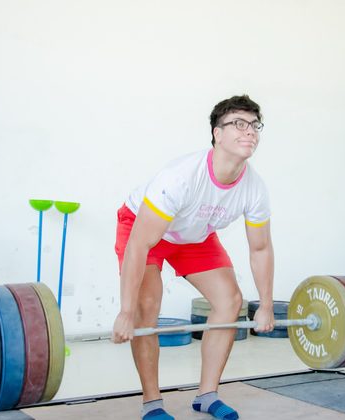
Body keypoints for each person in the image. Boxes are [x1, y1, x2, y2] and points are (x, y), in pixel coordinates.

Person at [112, 94, 276, 420]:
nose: (250, 132)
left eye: (255, 125)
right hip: (145, 229)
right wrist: (126, 311)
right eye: (239, 124)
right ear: (217, 133)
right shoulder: (181, 176)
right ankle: (152, 403)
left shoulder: (254, 188)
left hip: (194, 234)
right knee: (146, 307)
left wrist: (267, 304)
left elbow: (260, 248)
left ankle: (207, 395)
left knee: (230, 301)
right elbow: (139, 245)